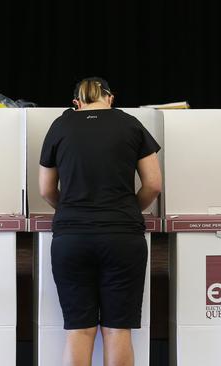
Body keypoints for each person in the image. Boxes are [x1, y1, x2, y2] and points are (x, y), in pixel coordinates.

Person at [39, 77, 162, 366]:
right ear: (110, 98)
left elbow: (46, 189)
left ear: (76, 103)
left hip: (71, 237)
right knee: (118, 329)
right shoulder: (130, 124)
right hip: (122, 236)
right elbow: (153, 185)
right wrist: (130, 210)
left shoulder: (61, 125)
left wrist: (69, 210)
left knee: (79, 330)